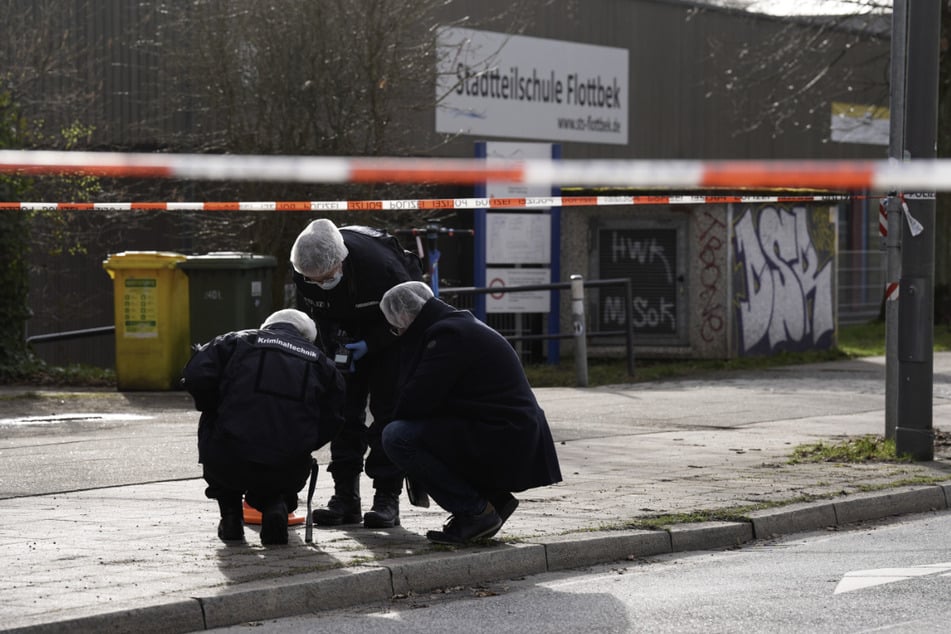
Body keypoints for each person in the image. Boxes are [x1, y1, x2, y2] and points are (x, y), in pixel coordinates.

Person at [379, 281, 563, 545]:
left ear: (405, 318)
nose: (398, 333)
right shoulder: (456, 326)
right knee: (421, 431)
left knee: (397, 436)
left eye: (396, 328)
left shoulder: (446, 336)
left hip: (505, 434)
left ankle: (475, 511)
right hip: (505, 429)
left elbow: (416, 399)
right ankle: (493, 501)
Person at [290, 219, 425, 529]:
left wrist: (371, 343)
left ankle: (386, 497)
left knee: (386, 413)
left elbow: (410, 316)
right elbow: (317, 317)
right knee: (342, 413)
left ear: (341, 261)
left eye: (326, 276)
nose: (321, 282)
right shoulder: (304, 272)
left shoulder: (382, 268)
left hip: (392, 331)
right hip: (347, 335)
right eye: (315, 279)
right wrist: (333, 352)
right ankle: (345, 497)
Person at [181, 308, 346, 546]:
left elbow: (195, 375)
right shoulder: (322, 363)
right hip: (287, 464)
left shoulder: (236, 341)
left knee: (213, 421)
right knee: (280, 468)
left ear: (267, 325)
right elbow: (335, 417)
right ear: (305, 336)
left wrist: (215, 407)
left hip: (228, 456)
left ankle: (230, 517)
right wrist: (305, 442)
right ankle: (275, 505)